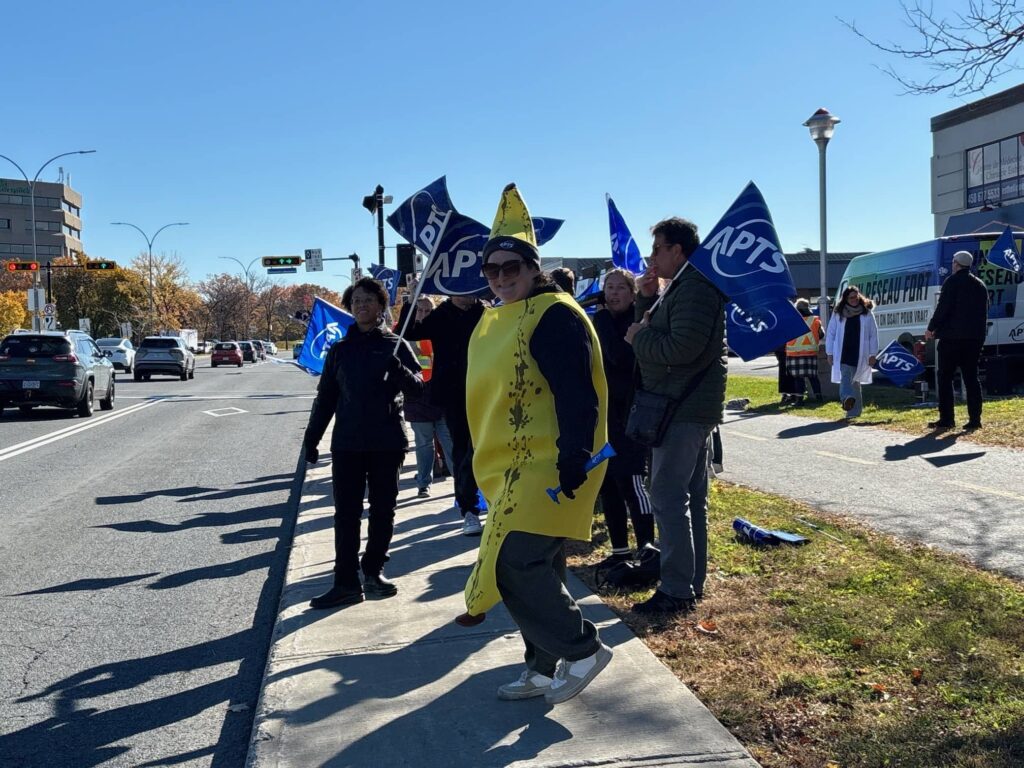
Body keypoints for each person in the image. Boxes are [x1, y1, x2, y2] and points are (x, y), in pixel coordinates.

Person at [464, 183, 612, 705]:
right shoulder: (509, 316)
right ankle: (541, 668)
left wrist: (573, 456)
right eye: (493, 271)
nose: (502, 279)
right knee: (540, 568)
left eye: (512, 268)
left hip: (552, 464)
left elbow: (577, 394)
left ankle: (583, 649)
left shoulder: (554, 313)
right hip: (516, 466)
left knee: (513, 563)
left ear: (533, 267)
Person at [624, 217, 728, 616]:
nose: (652, 258)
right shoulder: (681, 287)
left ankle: (677, 589)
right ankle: (688, 582)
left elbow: (681, 348)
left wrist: (639, 339)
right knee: (688, 497)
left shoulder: (696, 289)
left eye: (657, 249)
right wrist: (647, 300)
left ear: (677, 251)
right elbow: (664, 330)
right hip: (681, 407)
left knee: (667, 497)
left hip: (683, 409)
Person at [302, 277, 424, 609]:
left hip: (387, 442)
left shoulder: (396, 345)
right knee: (346, 514)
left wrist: (400, 371)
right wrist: (311, 440)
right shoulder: (340, 351)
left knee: (383, 511)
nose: (361, 306)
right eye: (356, 301)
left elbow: (420, 389)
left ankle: (373, 571)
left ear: (381, 306)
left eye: (368, 300)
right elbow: (325, 398)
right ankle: (345, 582)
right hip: (347, 444)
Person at [397, 284, 486, 535]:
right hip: (453, 393)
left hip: (487, 389)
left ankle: (495, 499)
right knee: (462, 450)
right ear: (449, 290)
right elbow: (410, 332)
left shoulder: (486, 313)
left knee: (488, 447)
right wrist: (411, 299)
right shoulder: (441, 314)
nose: (466, 292)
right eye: (460, 286)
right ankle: (469, 509)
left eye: (469, 286)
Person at [591, 268, 655, 566]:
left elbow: (617, 355)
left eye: (620, 288)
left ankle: (647, 546)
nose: (613, 293)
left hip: (631, 417)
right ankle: (619, 551)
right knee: (609, 484)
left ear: (632, 293)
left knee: (632, 482)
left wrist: (601, 318)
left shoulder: (637, 321)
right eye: (609, 287)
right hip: (605, 417)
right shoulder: (602, 321)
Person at [924, 250, 990, 431]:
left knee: (945, 378)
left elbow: (943, 308)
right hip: (973, 339)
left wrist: (931, 328)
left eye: (953, 262)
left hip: (951, 339)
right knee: (971, 378)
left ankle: (947, 419)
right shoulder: (980, 285)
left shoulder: (951, 282)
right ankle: (975, 420)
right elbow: (985, 311)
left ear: (956, 264)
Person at [403, 296, 456, 497]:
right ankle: (424, 483)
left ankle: (461, 484)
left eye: (428, 311)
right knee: (424, 445)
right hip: (418, 400)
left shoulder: (440, 334)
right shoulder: (407, 336)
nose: (424, 314)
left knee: (449, 442)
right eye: (420, 310)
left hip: (441, 398)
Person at [824, 286, 879, 420]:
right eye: (851, 297)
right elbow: (831, 333)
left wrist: (873, 354)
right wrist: (829, 352)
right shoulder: (839, 313)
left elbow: (873, 334)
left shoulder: (866, 313)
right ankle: (847, 398)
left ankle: (854, 412)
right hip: (843, 352)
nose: (854, 300)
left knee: (855, 381)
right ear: (845, 299)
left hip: (860, 352)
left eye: (856, 297)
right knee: (846, 377)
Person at [785, 298, 824, 404]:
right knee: (813, 377)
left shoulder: (791, 320)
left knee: (798, 378)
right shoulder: (815, 320)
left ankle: (799, 399)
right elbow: (821, 335)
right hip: (810, 353)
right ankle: (818, 397)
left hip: (794, 353)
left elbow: (785, 335)